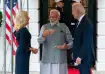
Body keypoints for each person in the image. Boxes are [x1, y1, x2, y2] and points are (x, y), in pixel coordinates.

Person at [38, 9, 73, 74]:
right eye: (50, 16)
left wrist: (66, 46)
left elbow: (71, 42)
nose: (51, 18)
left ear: (58, 17)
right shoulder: (44, 27)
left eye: (53, 17)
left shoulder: (64, 27)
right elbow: (39, 41)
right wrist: (43, 35)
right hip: (47, 59)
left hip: (60, 59)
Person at [72, 3, 94, 74]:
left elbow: (87, 43)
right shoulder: (80, 21)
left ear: (77, 11)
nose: (72, 13)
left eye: (73, 11)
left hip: (84, 58)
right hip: (81, 57)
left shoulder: (86, 23)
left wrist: (80, 57)